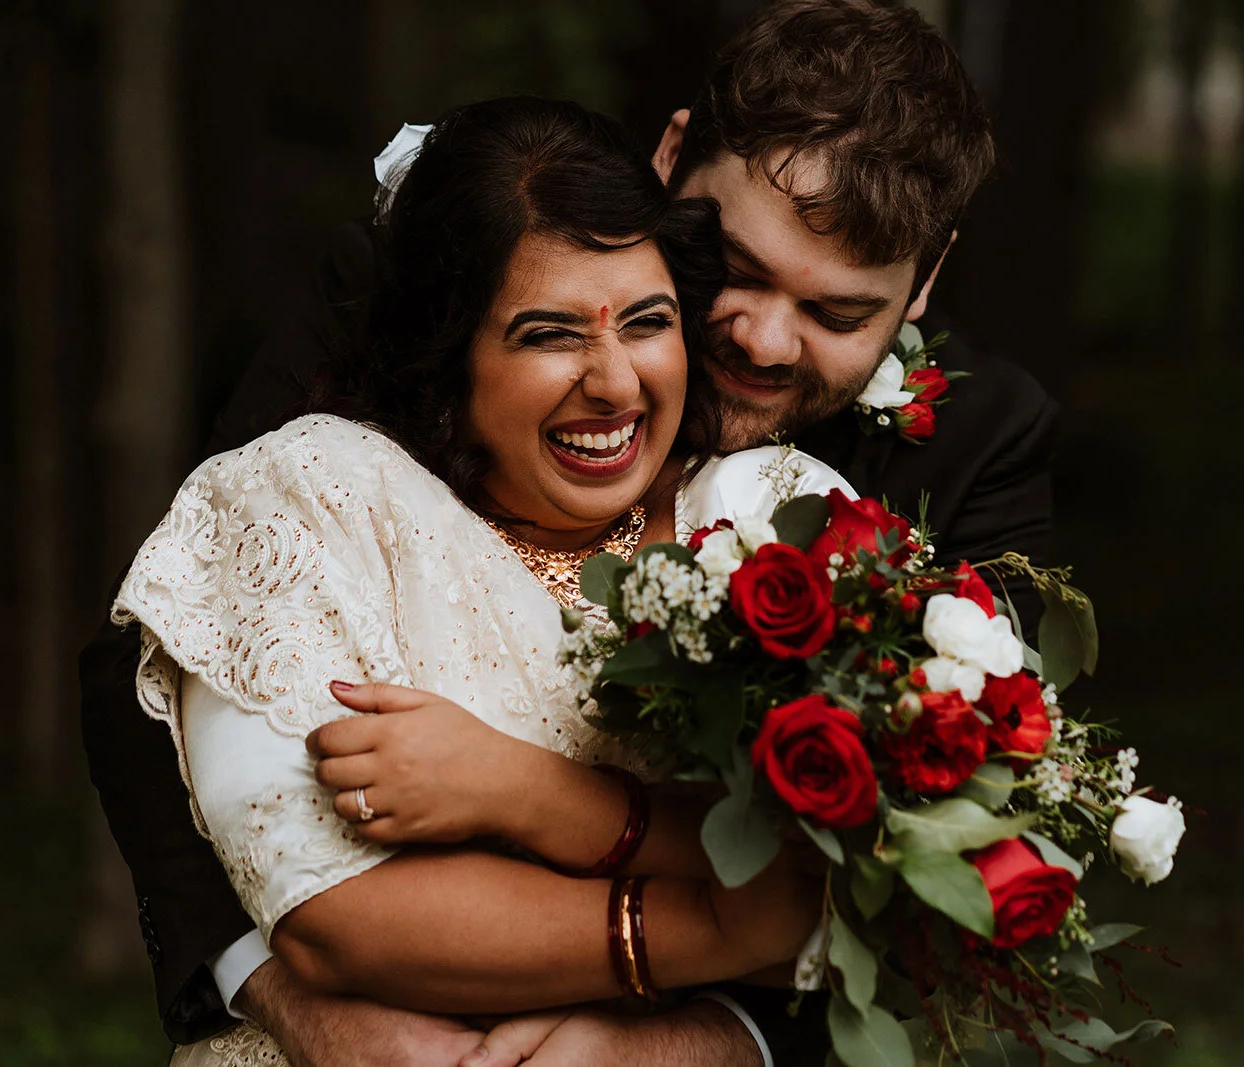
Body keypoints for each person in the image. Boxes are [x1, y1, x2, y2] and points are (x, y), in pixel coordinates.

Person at [81, 2, 1055, 1064]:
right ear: (672, 158)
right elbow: (174, 649)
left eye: (834, 316)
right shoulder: (437, 266)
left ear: (923, 281)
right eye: (733, 263)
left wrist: (693, 1034)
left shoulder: (966, 450)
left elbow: (948, 854)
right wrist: (277, 987)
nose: (761, 340)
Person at [115, 95, 844, 1067]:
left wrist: (531, 796)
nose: (617, 382)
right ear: (445, 353)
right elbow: (338, 917)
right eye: (549, 334)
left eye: (647, 321)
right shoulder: (313, 501)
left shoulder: (781, 514)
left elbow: (873, 892)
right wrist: (720, 926)